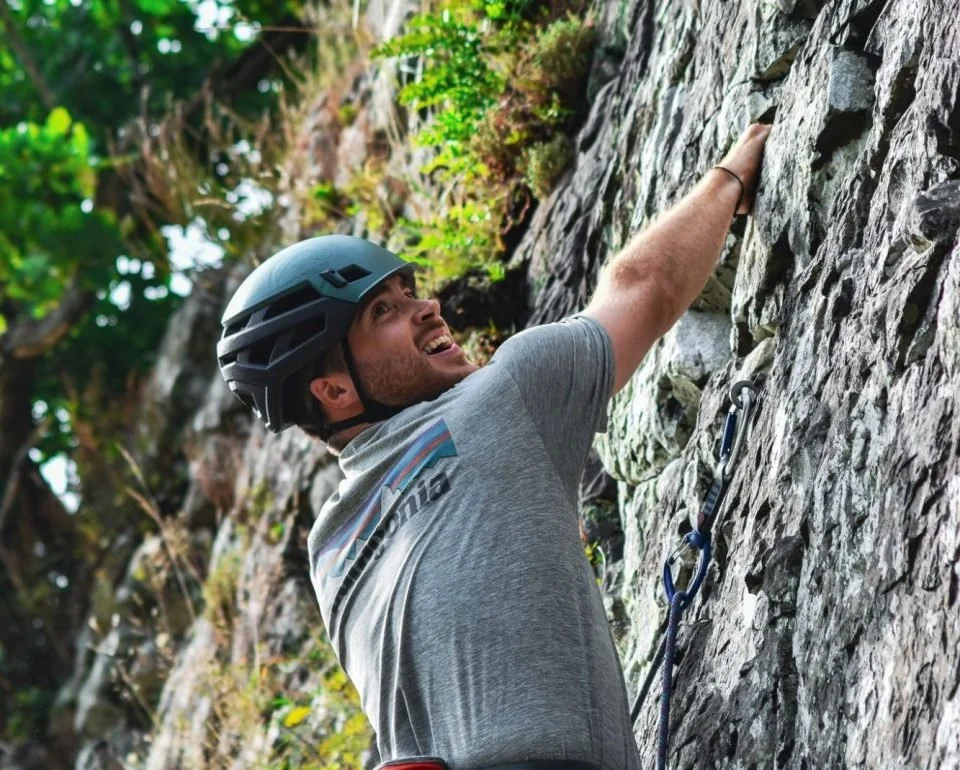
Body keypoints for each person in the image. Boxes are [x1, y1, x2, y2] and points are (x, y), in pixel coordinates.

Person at [216, 124, 772, 770]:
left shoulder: (331, 555)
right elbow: (643, 286)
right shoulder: (497, 403)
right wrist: (731, 177)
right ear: (335, 389)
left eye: (408, 291)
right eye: (382, 314)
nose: (427, 308)